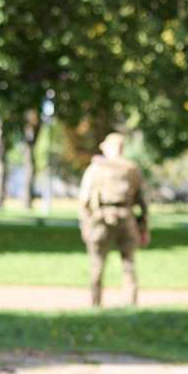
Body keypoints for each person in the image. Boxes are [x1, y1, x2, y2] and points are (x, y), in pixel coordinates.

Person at [77, 131, 149, 307]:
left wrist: (85, 224)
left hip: (101, 219)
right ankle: (131, 302)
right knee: (128, 263)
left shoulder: (96, 168)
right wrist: (143, 228)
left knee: (97, 263)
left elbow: (83, 200)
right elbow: (143, 203)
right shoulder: (132, 169)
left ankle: (95, 303)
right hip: (126, 218)